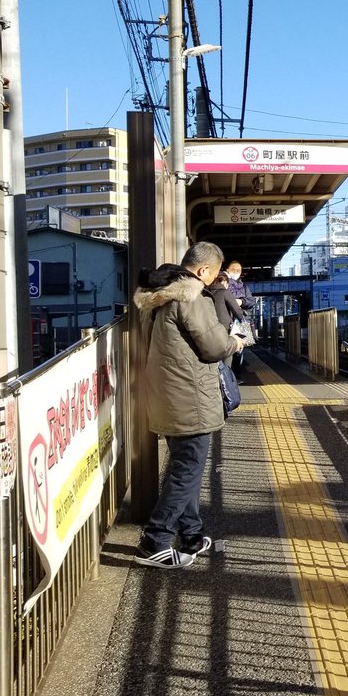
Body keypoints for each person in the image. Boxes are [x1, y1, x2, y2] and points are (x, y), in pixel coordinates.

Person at [133, 241, 244, 569]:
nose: (210, 283)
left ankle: (192, 534)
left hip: (167, 394)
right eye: (211, 277)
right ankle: (154, 541)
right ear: (203, 270)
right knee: (186, 471)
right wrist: (234, 343)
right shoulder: (191, 294)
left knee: (187, 468)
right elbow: (213, 347)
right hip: (189, 397)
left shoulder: (158, 296)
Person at [223, 261, 256, 374]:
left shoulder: (244, 287)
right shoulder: (222, 282)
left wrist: (241, 302)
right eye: (233, 270)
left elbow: (252, 301)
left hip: (240, 321)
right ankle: (227, 375)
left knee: (240, 349)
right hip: (226, 320)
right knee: (227, 348)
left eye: (238, 270)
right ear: (227, 270)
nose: (236, 272)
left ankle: (236, 375)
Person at [207, 273, 244, 368]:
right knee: (227, 357)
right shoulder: (224, 292)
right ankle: (226, 380)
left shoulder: (206, 292)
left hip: (208, 329)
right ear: (224, 282)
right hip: (225, 330)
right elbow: (238, 312)